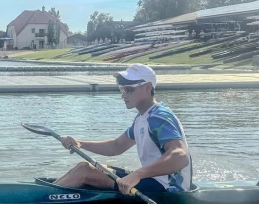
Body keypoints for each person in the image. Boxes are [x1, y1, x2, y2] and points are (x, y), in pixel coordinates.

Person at [53, 63, 191, 195]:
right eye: (122, 88)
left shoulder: (159, 117)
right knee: (83, 166)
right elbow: (116, 146)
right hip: (153, 181)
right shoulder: (142, 118)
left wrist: (138, 174)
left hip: (170, 189)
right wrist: (80, 143)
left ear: (148, 88)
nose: (123, 95)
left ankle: (40, 199)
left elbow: (180, 156)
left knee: (85, 172)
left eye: (129, 89)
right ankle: (46, 192)